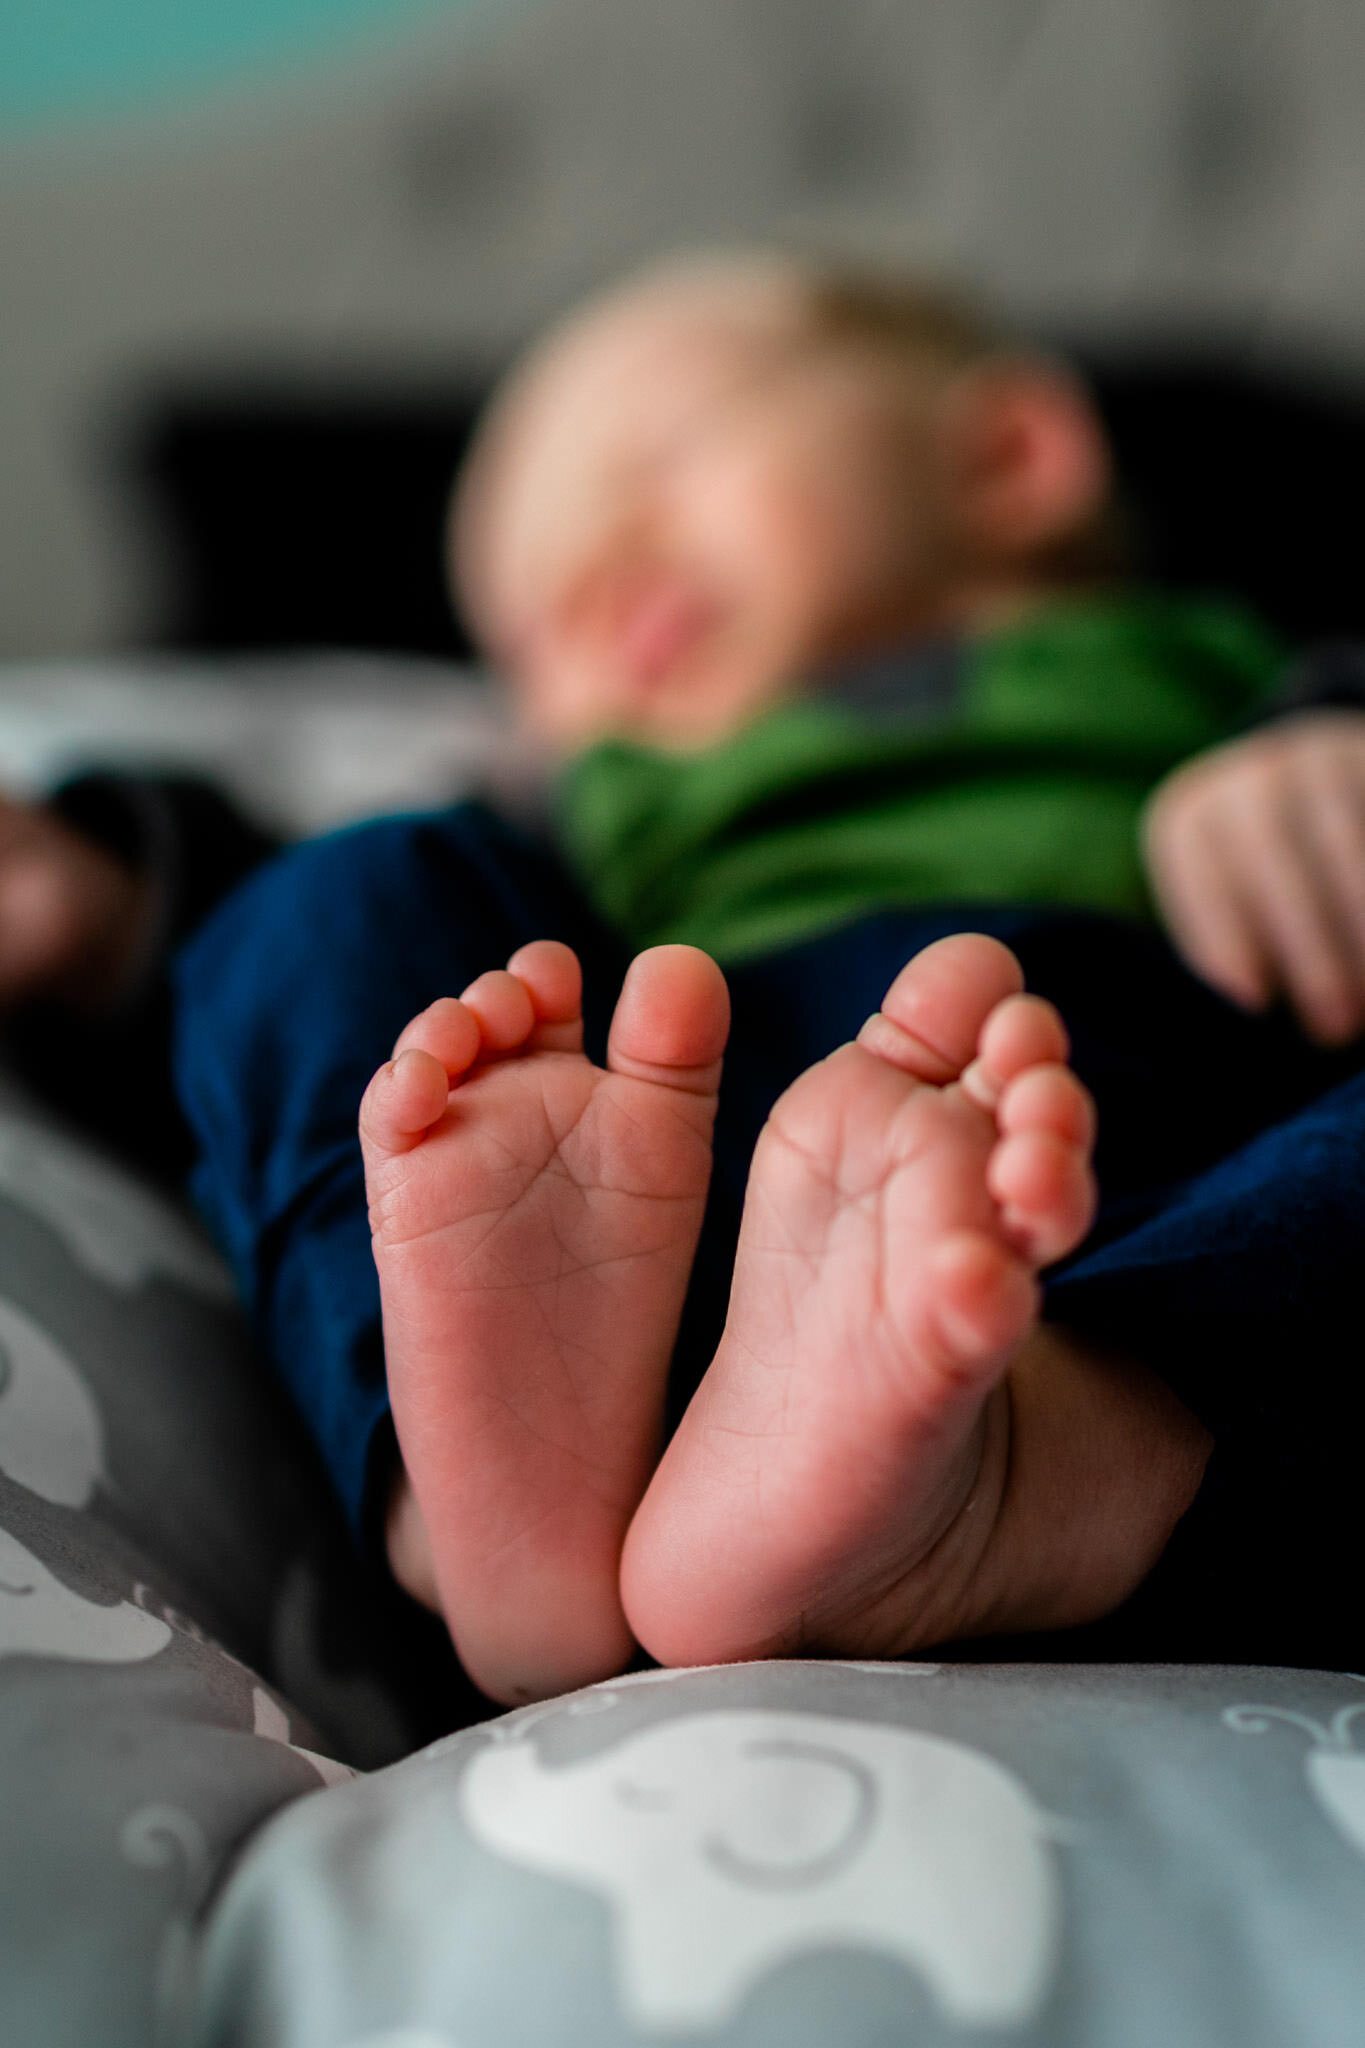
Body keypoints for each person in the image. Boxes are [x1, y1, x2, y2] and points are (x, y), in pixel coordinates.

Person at [4, 251, 1365, 1707]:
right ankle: (483, 1510)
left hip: (1198, 1139)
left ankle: (1052, 1460)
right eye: (527, 637)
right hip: (681, 1179)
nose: (588, 577)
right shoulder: (591, 815)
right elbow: (283, 1018)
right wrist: (110, 907)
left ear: (1004, 456)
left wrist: (1328, 753)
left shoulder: (1215, 676)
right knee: (345, 904)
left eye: (656, 467)